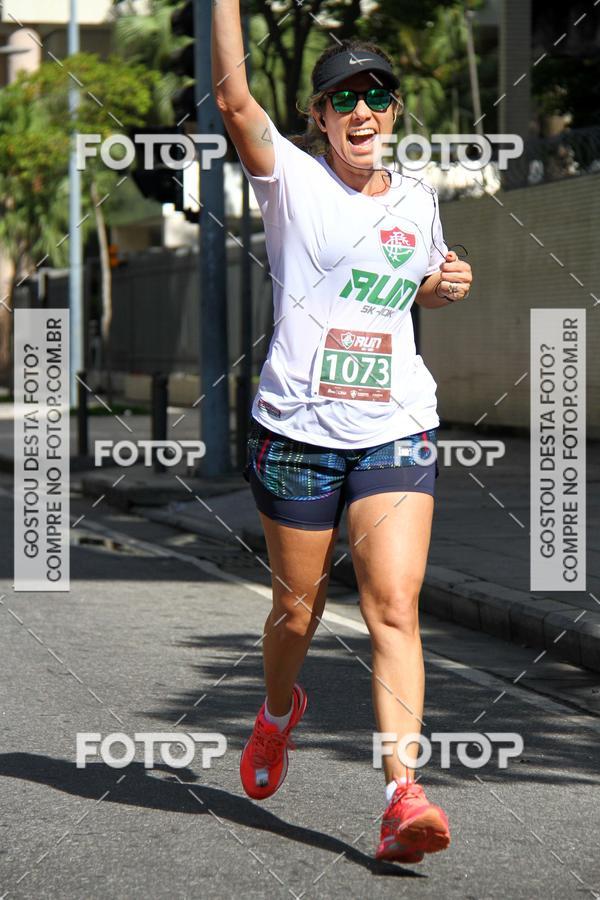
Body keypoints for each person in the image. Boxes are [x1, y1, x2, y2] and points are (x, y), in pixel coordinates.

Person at [212, 0, 472, 864]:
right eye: (344, 99)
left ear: (394, 112)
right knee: (297, 612)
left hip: (395, 424)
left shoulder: (418, 200)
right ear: (319, 116)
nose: (364, 111)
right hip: (297, 429)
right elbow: (233, 99)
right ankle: (277, 713)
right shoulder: (290, 180)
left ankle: (403, 795)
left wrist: (442, 286)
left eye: (378, 96)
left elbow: (413, 288)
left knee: (393, 606)